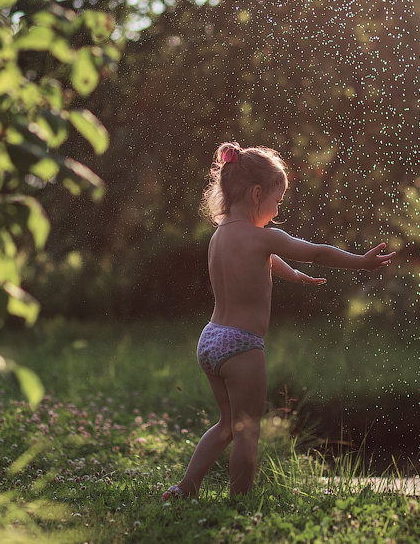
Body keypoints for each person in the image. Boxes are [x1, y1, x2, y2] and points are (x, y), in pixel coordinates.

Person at [162, 142, 395, 499]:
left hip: (211, 339)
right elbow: (316, 252)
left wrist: (294, 276)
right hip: (242, 345)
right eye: (277, 201)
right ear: (257, 194)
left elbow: (266, 261)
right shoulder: (264, 237)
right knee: (247, 430)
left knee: (226, 424)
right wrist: (360, 262)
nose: (276, 210)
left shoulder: (220, 236)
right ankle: (240, 501)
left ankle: (185, 488)